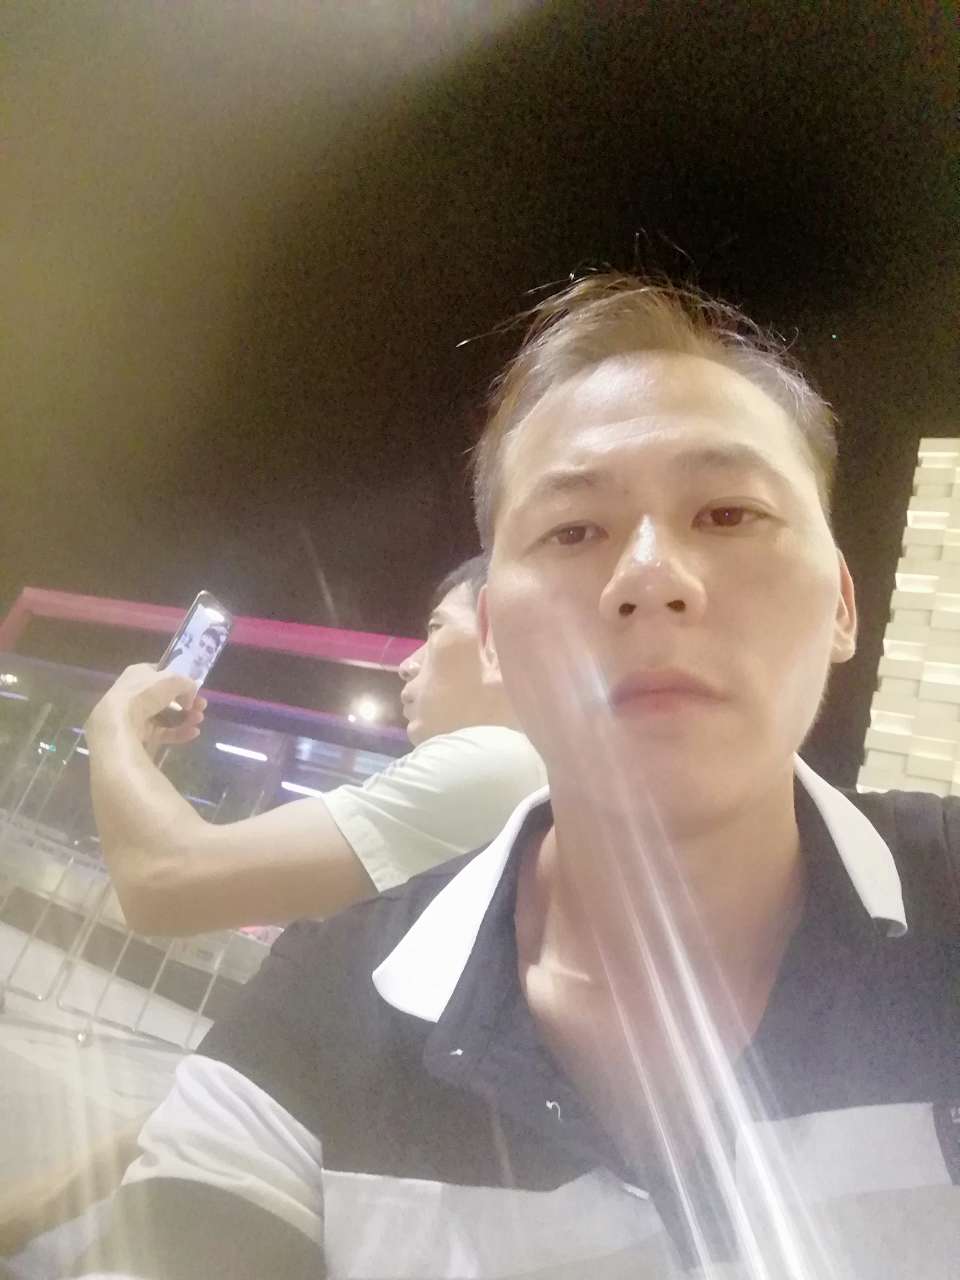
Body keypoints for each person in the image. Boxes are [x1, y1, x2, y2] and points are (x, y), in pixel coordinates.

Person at [75, 277, 960, 1280]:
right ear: (496, 634)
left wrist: (113, 724)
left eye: (728, 512)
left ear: (842, 603)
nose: (651, 575)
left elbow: (168, 876)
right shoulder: (311, 1026)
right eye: (573, 530)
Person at [83, 555, 546, 936]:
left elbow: (166, 879)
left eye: (436, 629)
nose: (407, 664)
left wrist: (112, 721)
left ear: (499, 640)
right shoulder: (525, 777)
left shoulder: (502, 763)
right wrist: (131, 750)